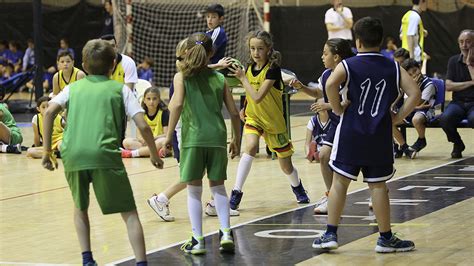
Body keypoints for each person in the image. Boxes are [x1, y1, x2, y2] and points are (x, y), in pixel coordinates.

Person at [41, 39, 163, 266]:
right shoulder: (120, 90)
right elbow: (144, 127)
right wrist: (154, 155)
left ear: (84, 66)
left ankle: (87, 259)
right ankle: (141, 263)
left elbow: (48, 113)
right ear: (113, 66)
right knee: (129, 213)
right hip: (104, 154)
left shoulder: (73, 88)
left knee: (80, 208)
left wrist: (47, 151)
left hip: (73, 154)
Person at [312, 16, 419, 253]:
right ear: (380, 41)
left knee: (340, 183)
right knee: (378, 186)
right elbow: (414, 93)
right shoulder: (393, 66)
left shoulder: (348, 64)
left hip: (351, 132)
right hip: (379, 134)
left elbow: (330, 85)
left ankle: (330, 234)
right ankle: (385, 238)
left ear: (357, 42)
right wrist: (398, 118)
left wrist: (338, 108)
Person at [163, 32, 241, 254]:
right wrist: (236, 139)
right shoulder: (220, 78)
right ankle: (226, 232)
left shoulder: (181, 77)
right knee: (218, 188)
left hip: (193, 139)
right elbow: (235, 114)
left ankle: (197, 239)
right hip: (217, 137)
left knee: (194, 191)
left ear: (186, 52)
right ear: (212, 53)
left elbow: (176, 105)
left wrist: (168, 136)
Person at [147, 38, 239, 222]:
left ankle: (214, 204)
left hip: (197, 127)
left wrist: (216, 66)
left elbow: (202, 70)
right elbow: (177, 104)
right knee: (192, 173)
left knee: (201, 171)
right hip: (185, 125)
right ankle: (161, 199)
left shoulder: (193, 73)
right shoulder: (183, 75)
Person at [228, 30, 310, 211]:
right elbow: (251, 97)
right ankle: (236, 192)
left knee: (286, 167)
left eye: (260, 49)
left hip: (273, 122)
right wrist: (244, 107)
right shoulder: (249, 67)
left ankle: (297, 187)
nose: (256, 53)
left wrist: (242, 79)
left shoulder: (273, 70)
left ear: (268, 49)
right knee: (249, 148)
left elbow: (257, 96)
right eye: (252, 48)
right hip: (254, 118)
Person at [289, 38, 353, 214]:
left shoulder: (349, 74)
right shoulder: (326, 75)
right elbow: (318, 92)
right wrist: (301, 87)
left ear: (337, 57)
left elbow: (351, 101)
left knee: (359, 161)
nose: (322, 57)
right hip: (336, 122)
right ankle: (330, 195)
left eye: (325, 53)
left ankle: (378, 190)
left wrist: (328, 105)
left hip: (352, 121)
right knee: (324, 156)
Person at [440, 29, 474, 158]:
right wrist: (471, 83)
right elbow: (448, 86)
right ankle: (457, 143)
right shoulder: (453, 61)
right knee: (445, 119)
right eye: (461, 42)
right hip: (458, 102)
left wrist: (469, 64)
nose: (464, 45)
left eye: (468, 42)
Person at [392, 59, 436, 159]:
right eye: (410, 74)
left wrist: (413, 88)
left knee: (416, 119)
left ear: (420, 68)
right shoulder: (406, 84)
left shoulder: (429, 84)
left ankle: (421, 139)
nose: (414, 75)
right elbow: (407, 104)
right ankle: (403, 147)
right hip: (412, 110)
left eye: (415, 71)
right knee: (389, 121)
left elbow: (417, 102)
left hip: (427, 111)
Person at [122, 87, 168, 158]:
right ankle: (153, 152)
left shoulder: (164, 113)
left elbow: (166, 134)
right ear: (144, 100)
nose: (151, 102)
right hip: (147, 143)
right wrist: (143, 140)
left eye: (154, 99)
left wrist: (153, 138)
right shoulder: (141, 113)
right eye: (148, 99)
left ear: (159, 100)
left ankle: (133, 153)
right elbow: (138, 134)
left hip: (158, 141)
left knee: (163, 141)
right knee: (126, 142)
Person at [304, 98, 330, 163]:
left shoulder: (334, 120)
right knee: (313, 147)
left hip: (329, 149)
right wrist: (308, 154)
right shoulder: (313, 121)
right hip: (317, 149)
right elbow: (307, 143)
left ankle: (320, 156)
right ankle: (314, 156)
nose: (321, 108)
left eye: (323, 105)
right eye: (318, 105)